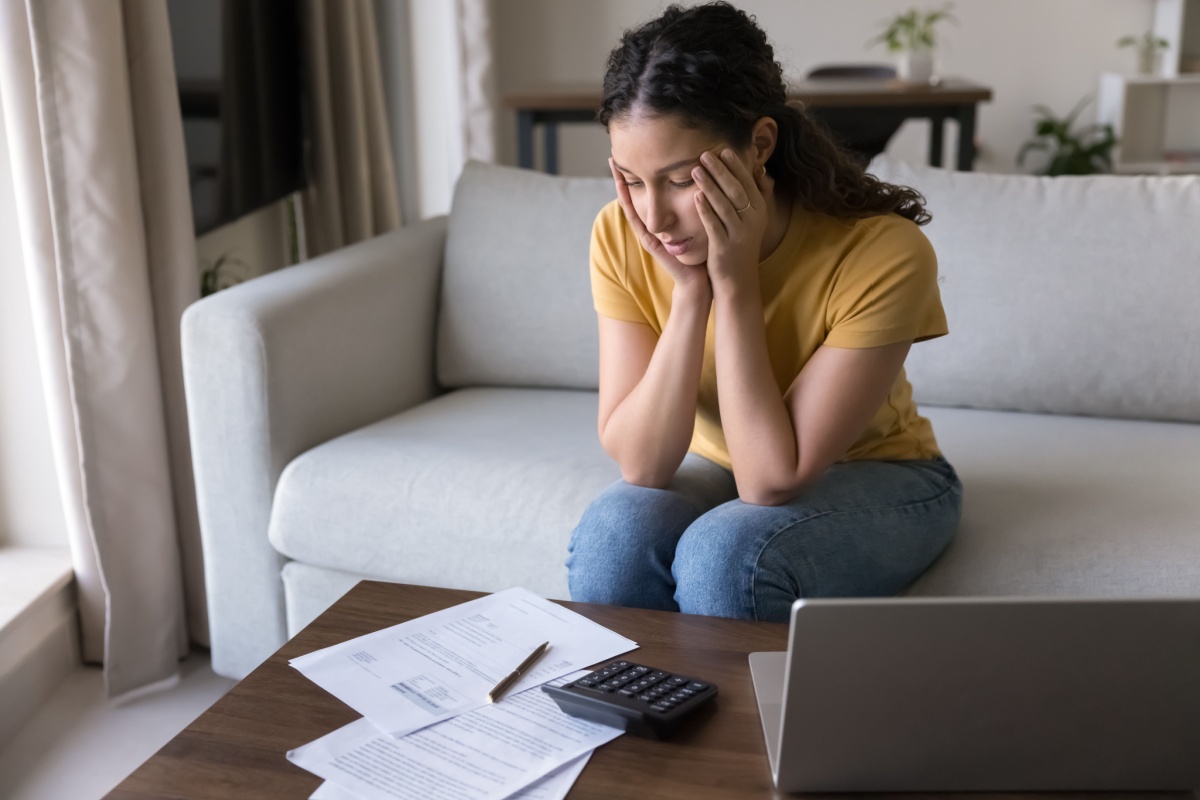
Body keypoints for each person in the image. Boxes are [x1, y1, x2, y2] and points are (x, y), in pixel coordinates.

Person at [565, 1, 963, 623]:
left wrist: (735, 280)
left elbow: (771, 482)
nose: (653, 217)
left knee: (727, 557)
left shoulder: (883, 252)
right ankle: (641, 718)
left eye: (677, 180)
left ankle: (740, 724)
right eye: (631, 180)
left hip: (883, 475)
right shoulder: (621, 234)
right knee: (613, 537)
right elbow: (642, 463)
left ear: (759, 145)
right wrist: (692, 296)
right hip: (729, 464)